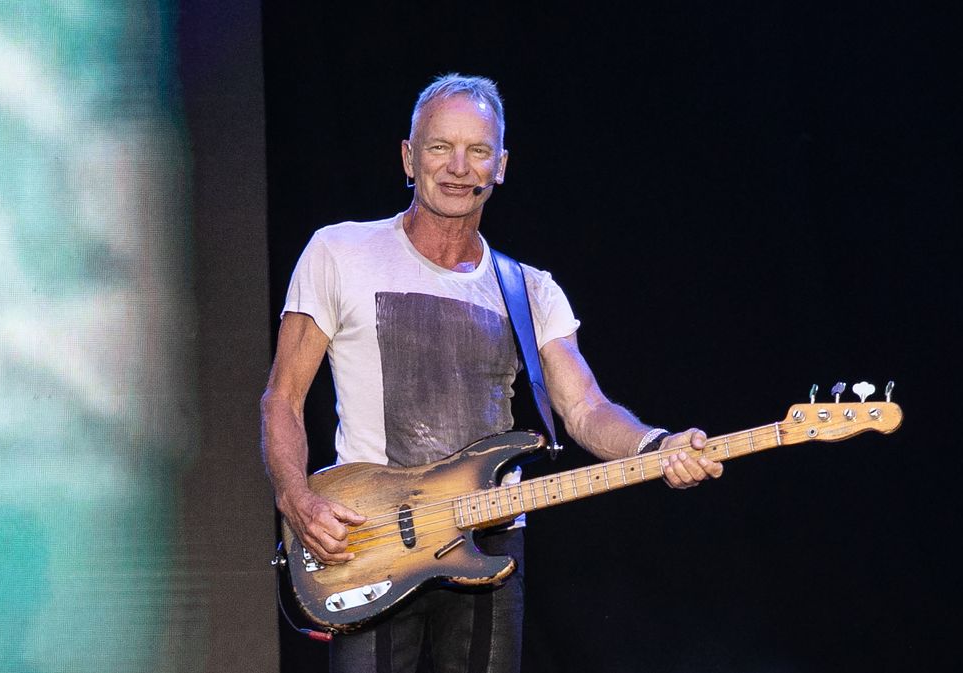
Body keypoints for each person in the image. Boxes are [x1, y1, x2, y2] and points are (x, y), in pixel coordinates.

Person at [261, 73, 723, 673]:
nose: (458, 167)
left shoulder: (529, 289)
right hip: (372, 538)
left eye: (478, 150)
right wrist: (295, 498)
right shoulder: (339, 252)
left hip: (490, 541)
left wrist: (655, 446)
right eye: (439, 147)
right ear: (408, 156)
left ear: (500, 166)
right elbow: (283, 399)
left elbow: (583, 408)